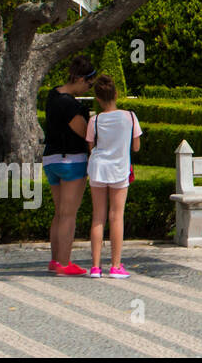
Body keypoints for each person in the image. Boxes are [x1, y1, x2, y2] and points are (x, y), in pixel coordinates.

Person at [43, 57, 96, 276]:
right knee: (68, 215)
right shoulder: (71, 105)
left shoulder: (52, 95)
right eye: (89, 84)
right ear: (82, 79)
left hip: (51, 159)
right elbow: (85, 133)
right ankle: (65, 263)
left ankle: (56, 260)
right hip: (71, 160)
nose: (88, 88)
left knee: (59, 213)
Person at [84, 75, 141, 278]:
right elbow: (136, 146)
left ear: (97, 98)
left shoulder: (95, 120)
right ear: (116, 94)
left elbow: (91, 146)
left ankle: (95, 266)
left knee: (98, 217)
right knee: (116, 216)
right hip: (119, 168)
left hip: (98, 167)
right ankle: (116, 266)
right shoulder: (130, 117)